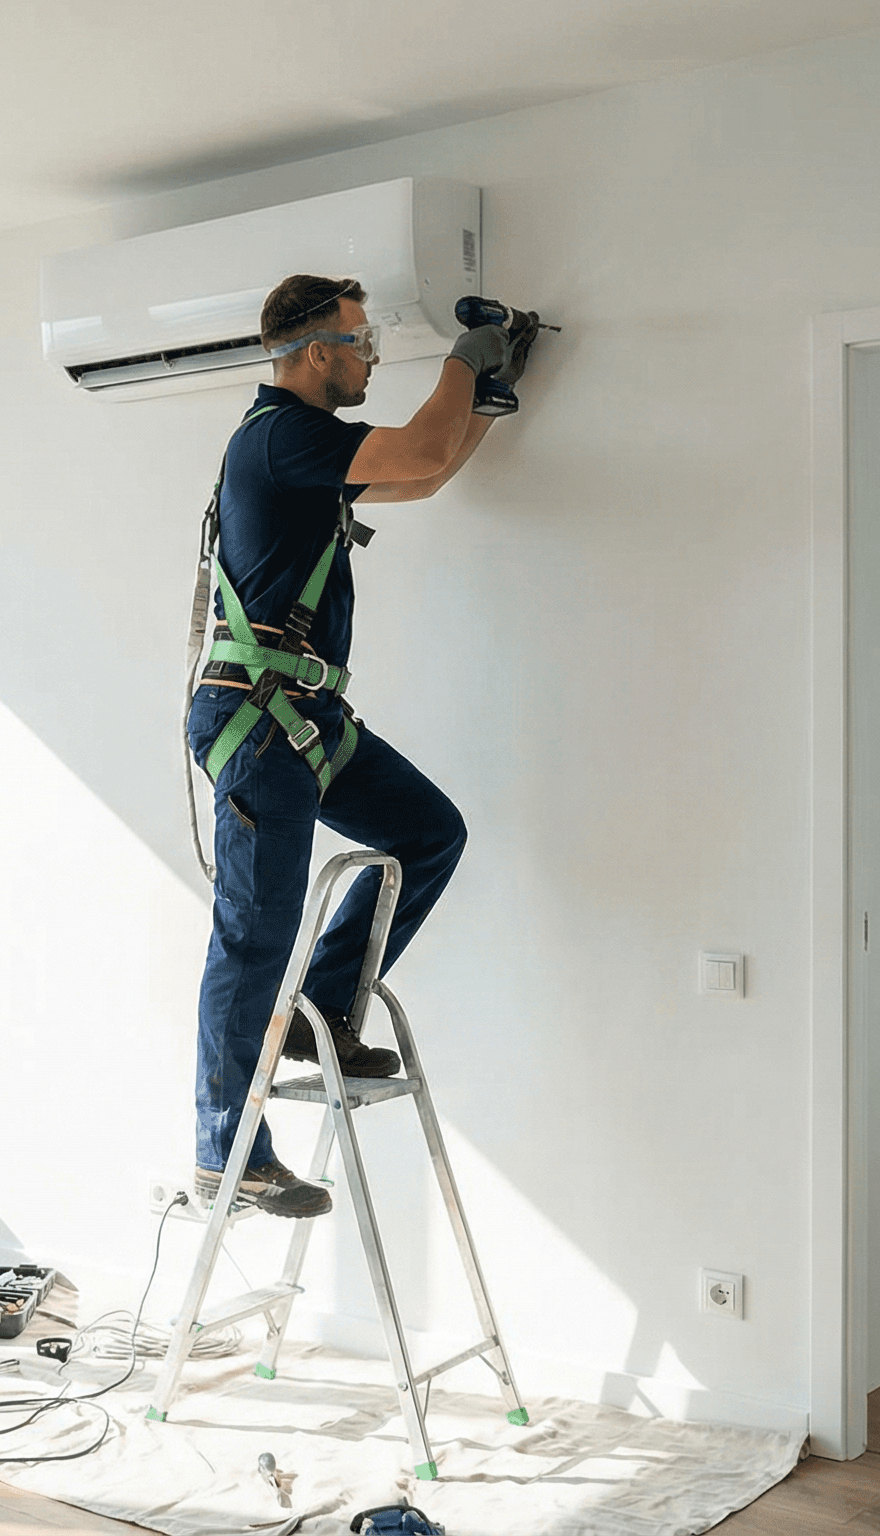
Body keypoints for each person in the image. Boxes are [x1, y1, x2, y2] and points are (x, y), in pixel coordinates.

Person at [186, 274, 515, 1218]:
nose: (371, 358)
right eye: (362, 343)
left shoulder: (307, 449)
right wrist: (465, 358)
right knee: (253, 937)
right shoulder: (280, 436)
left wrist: (484, 396)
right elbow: (419, 446)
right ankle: (225, 1153)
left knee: (428, 835)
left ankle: (326, 1004)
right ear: (315, 350)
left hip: (307, 718)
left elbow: (428, 469)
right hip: (260, 720)